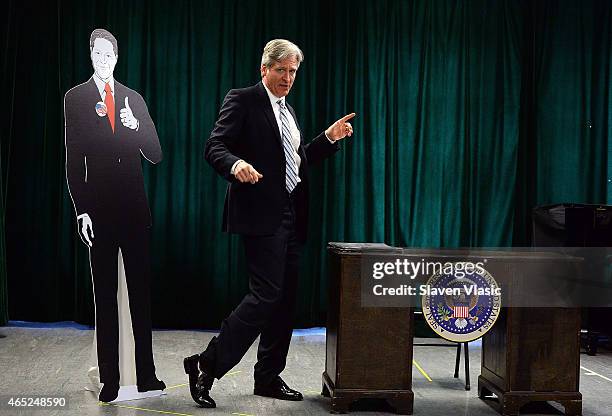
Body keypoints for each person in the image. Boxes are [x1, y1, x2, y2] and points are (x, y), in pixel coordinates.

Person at [184, 39, 355, 408]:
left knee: (285, 300)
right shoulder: (243, 100)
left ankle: (267, 377)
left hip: (292, 214)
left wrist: (328, 139)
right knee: (265, 295)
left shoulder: (288, 111)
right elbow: (215, 145)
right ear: (265, 69)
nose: (288, 78)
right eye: (282, 70)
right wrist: (235, 165)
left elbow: (296, 161)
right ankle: (205, 365)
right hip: (261, 214)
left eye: (293, 72)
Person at [64, 28, 165, 402]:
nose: (103, 61)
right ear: (90, 56)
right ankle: (109, 378)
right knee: (104, 297)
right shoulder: (74, 99)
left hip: (135, 213)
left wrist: (136, 128)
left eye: (109, 55)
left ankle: (147, 376)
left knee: (141, 296)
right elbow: (74, 160)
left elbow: (155, 153)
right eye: (97, 54)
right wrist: (82, 211)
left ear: (117, 58)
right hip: (100, 214)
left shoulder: (132, 99)